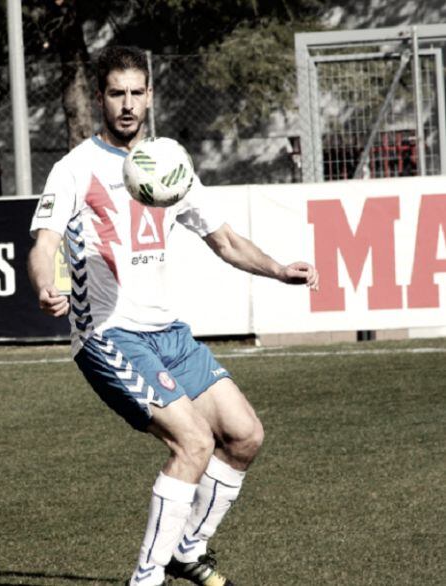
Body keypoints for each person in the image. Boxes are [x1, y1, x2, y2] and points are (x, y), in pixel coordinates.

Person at [27, 46, 319, 586]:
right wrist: (47, 285)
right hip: (109, 336)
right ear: (100, 99)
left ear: (150, 96)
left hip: (169, 333)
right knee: (193, 443)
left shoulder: (168, 160)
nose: (128, 104)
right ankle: (148, 576)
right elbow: (43, 242)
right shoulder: (75, 168)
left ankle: (188, 548)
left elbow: (224, 239)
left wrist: (278, 270)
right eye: (117, 93)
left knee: (245, 434)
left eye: (137, 93)